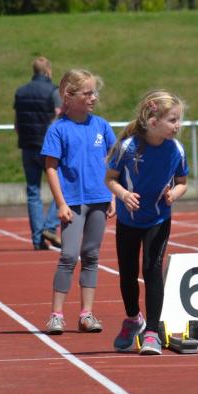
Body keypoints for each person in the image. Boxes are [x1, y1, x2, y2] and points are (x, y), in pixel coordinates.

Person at [105, 90, 188, 355]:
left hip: (158, 218)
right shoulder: (128, 147)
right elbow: (110, 179)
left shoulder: (176, 150)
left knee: (152, 269)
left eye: (179, 119)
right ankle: (133, 319)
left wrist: (174, 194)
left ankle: (152, 331)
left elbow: (182, 182)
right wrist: (123, 195)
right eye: (172, 120)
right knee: (127, 272)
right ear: (153, 122)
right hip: (128, 220)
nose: (178, 125)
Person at [41, 69, 116, 335]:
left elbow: (113, 161)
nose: (93, 97)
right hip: (72, 202)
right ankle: (56, 315)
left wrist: (113, 194)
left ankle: (86, 314)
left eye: (95, 92)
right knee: (69, 256)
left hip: (99, 199)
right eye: (88, 93)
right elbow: (51, 168)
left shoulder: (101, 126)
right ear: (69, 96)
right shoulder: (58, 129)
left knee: (91, 256)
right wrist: (60, 203)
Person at [13, 56, 62, 250]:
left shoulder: (21, 92)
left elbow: (17, 124)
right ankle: (50, 226)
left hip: (27, 146)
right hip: (48, 147)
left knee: (33, 192)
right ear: (48, 71)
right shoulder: (53, 91)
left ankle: (37, 239)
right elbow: (59, 116)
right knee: (63, 185)